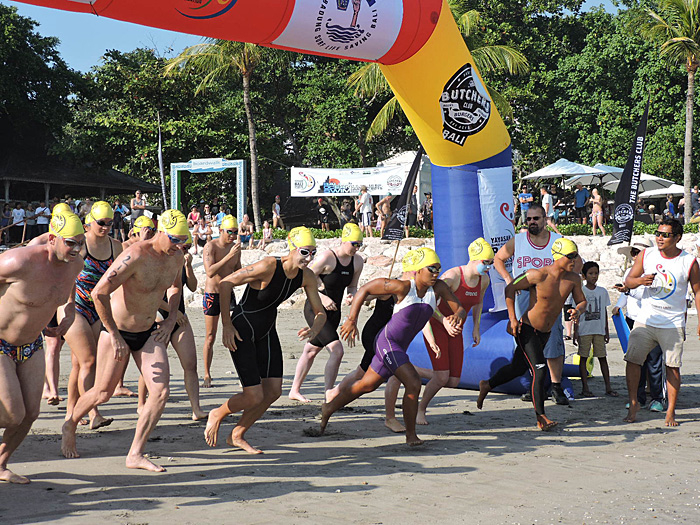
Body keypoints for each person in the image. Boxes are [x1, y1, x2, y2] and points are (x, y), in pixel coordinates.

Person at [61, 209, 188, 472]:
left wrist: (171, 316)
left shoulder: (177, 258)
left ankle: (135, 453)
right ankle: (70, 423)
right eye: (175, 239)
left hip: (148, 332)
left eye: (183, 240)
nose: (179, 245)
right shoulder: (136, 254)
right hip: (117, 331)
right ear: (160, 232)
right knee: (103, 393)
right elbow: (99, 293)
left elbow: (176, 286)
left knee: (161, 392)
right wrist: (114, 334)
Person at [320, 248, 466, 445]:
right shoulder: (403, 287)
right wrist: (351, 319)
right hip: (387, 342)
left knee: (366, 385)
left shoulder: (438, 287)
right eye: (431, 268)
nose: (435, 273)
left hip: (399, 346)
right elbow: (365, 289)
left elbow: (460, 308)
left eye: (438, 269)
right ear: (417, 270)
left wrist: (457, 316)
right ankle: (411, 435)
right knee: (413, 382)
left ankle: (328, 408)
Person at [205, 227, 326, 453]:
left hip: (267, 329)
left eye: (313, 253)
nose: (308, 258)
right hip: (242, 328)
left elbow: (320, 312)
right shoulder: (269, 265)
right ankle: (218, 413)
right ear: (292, 249)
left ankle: (237, 434)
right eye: (304, 252)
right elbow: (225, 284)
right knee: (253, 394)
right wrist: (226, 325)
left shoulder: (306, 276)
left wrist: (314, 328)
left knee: (272, 392)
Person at [0, 211, 85, 484]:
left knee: (31, 414)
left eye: (80, 243)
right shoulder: (19, 261)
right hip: (0, 341)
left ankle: (0, 465)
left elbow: (66, 289)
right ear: (52, 239)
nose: (76, 249)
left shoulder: (76, 264)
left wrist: (69, 309)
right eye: (70, 243)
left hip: (32, 344)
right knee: (13, 414)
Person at [477, 239, 587, 431]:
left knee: (517, 368)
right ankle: (541, 417)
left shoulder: (573, 279)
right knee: (540, 369)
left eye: (576, 255)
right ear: (558, 256)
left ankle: (487, 384)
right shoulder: (538, 275)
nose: (574, 259)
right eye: (571, 256)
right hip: (526, 329)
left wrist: (578, 310)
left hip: (545, 333)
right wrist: (512, 319)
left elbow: (582, 301)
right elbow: (510, 289)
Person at [623, 218, 700, 426]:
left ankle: (671, 412)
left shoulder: (689, 261)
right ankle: (633, 404)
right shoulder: (647, 254)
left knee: (672, 367)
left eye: (665, 235)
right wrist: (640, 281)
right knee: (632, 360)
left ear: (677, 238)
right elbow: (628, 281)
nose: (659, 238)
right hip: (646, 319)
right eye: (658, 233)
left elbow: (698, 291)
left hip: (673, 322)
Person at [493, 204, 570, 405]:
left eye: (536, 218)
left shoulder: (557, 242)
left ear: (545, 219)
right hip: (524, 296)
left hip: (549, 298)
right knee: (526, 342)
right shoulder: (518, 241)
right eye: (529, 219)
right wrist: (509, 279)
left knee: (553, 340)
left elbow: (574, 264)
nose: (532, 222)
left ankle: (556, 386)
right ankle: (536, 385)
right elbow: (498, 259)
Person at [415, 238, 492, 425]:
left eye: (491, 263)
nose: (488, 266)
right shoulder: (453, 276)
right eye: (485, 262)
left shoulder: (484, 280)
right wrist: (444, 321)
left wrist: (476, 328)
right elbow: (427, 303)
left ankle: (410, 371)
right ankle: (420, 409)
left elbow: (479, 303)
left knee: (453, 381)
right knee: (442, 377)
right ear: (474, 259)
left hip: (456, 330)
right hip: (437, 326)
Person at [61, 202, 124, 430]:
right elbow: (68, 275)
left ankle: (71, 411)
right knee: (89, 361)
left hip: (99, 310)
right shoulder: (82, 245)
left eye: (110, 223)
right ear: (89, 224)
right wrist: (67, 306)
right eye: (101, 223)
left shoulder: (116, 247)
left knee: (80, 364)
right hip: (76, 306)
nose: (106, 227)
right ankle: (93, 412)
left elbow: (123, 278)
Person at [289, 223, 365, 403]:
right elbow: (306, 279)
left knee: (310, 351)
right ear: (344, 240)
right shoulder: (327, 257)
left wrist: (351, 296)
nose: (356, 248)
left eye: (359, 245)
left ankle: (294, 390)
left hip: (334, 311)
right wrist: (322, 298)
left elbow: (352, 286)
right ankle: (329, 394)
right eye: (354, 243)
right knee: (337, 350)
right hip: (315, 309)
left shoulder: (358, 261)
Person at [138, 232, 206, 420]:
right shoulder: (156, 261)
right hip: (159, 314)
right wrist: (171, 312)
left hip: (180, 316)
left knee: (190, 363)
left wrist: (189, 265)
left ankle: (196, 409)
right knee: (154, 366)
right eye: (180, 245)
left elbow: (192, 287)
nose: (182, 249)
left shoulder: (180, 261)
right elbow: (149, 294)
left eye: (186, 246)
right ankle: (142, 404)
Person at [614, 239, 664, 414]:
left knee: (655, 362)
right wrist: (621, 301)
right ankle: (639, 398)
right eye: (634, 252)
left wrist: (637, 284)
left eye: (638, 252)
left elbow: (650, 294)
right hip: (633, 319)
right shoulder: (629, 272)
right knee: (636, 361)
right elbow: (630, 291)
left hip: (654, 319)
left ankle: (658, 398)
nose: (635, 255)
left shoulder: (658, 270)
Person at [201, 215, 241, 388]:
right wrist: (228, 256)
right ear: (221, 231)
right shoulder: (211, 246)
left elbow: (238, 270)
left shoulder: (236, 248)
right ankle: (207, 374)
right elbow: (210, 271)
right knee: (210, 336)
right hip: (212, 295)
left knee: (236, 333)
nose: (232, 235)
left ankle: (242, 373)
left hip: (229, 294)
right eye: (229, 232)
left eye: (235, 232)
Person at [574, 261, 615, 397]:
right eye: (591, 273)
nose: (594, 276)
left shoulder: (602, 292)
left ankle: (608, 387)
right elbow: (576, 312)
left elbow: (604, 311)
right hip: (584, 330)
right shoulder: (580, 291)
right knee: (583, 358)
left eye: (596, 273)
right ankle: (585, 387)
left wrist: (606, 330)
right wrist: (576, 331)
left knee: (602, 357)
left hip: (599, 330)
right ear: (584, 276)